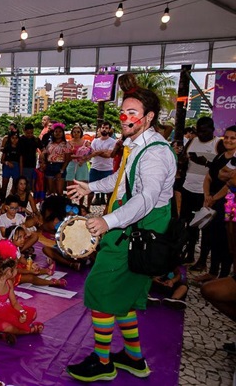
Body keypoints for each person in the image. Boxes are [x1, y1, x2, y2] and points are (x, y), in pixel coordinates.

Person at [66, 73, 176, 382]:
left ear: (149, 117)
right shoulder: (136, 144)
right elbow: (122, 181)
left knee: (99, 290)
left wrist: (107, 221)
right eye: (123, 111)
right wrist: (91, 187)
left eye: (132, 113)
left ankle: (103, 363)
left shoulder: (154, 152)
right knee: (124, 296)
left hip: (136, 228)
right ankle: (133, 357)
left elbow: (146, 198)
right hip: (131, 224)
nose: (124, 117)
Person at [193, 125, 235, 282]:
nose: (229, 141)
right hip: (212, 202)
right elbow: (209, 177)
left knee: (225, 240)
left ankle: (223, 276)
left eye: (233, 138)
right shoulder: (220, 157)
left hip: (228, 205)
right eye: (227, 137)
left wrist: (214, 197)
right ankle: (212, 271)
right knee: (212, 237)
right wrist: (207, 195)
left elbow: (230, 183)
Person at [182, 117, 225, 267]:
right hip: (188, 188)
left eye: (204, 131)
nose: (201, 134)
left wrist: (205, 162)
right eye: (198, 131)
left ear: (212, 129)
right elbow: (183, 158)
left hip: (205, 192)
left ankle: (203, 260)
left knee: (205, 226)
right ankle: (190, 253)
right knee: (190, 224)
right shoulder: (192, 141)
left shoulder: (218, 144)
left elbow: (222, 167)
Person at [86, 121, 116, 207]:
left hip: (107, 169)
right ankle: (88, 207)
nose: (104, 129)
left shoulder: (112, 142)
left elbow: (108, 155)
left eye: (106, 128)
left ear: (109, 129)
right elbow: (91, 153)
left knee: (109, 190)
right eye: (103, 127)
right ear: (100, 128)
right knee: (90, 188)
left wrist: (97, 152)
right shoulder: (95, 141)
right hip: (95, 167)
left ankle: (108, 207)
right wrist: (102, 151)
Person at [42, 122, 71, 196]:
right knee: (50, 191)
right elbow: (46, 154)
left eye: (60, 132)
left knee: (59, 191)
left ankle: (59, 206)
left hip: (60, 166)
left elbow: (67, 159)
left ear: (63, 133)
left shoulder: (66, 144)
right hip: (49, 166)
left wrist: (61, 171)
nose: (58, 133)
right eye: (56, 131)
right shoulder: (50, 143)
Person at [66, 126, 90, 203]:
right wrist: (80, 156)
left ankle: (81, 205)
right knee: (69, 183)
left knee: (81, 184)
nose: (76, 133)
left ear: (81, 133)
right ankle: (69, 203)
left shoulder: (85, 142)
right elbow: (67, 155)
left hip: (82, 164)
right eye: (74, 132)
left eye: (78, 132)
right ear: (72, 133)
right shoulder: (69, 143)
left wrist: (84, 159)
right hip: (71, 163)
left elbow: (90, 154)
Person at [18, 123, 43, 194]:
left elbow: (43, 149)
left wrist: (42, 155)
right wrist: (21, 170)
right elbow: (20, 156)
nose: (29, 135)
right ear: (24, 131)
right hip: (24, 165)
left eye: (31, 133)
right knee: (24, 187)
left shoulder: (35, 140)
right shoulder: (21, 140)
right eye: (28, 133)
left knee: (32, 186)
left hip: (33, 165)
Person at [1, 131, 21, 197]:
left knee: (15, 186)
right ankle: (2, 201)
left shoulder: (20, 148)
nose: (14, 140)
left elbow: (21, 161)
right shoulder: (7, 147)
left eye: (16, 138)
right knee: (4, 186)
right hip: (7, 167)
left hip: (16, 167)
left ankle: (11, 201)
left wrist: (21, 172)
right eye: (13, 138)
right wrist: (7, 162)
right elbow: (2, 160)